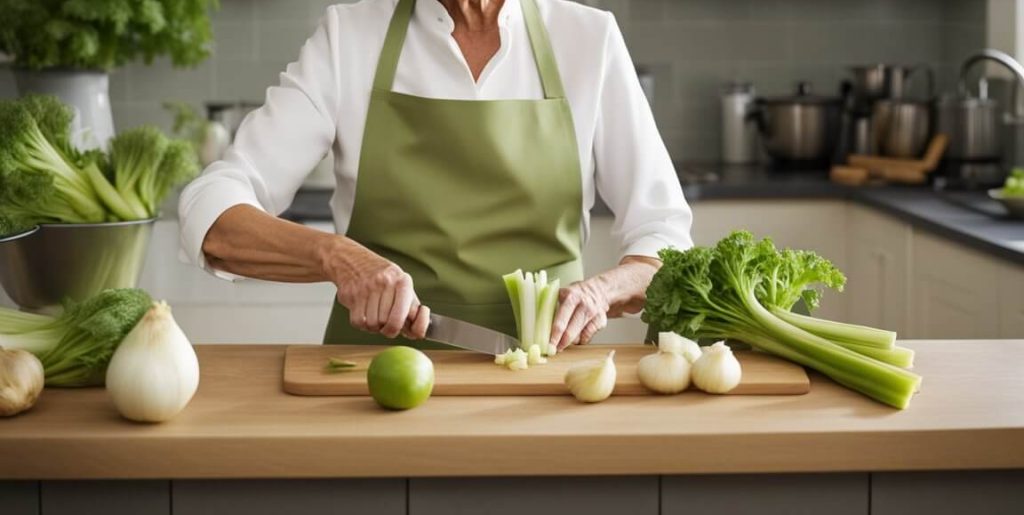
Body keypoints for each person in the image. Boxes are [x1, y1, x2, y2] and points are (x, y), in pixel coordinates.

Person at [178, 0, 692, 350]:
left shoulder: (587, 38)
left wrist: (601, 292)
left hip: (547, 380)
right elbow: (213, 209)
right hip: (372, 376)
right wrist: (335, 256)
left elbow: (664, 233)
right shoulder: (350, 36)